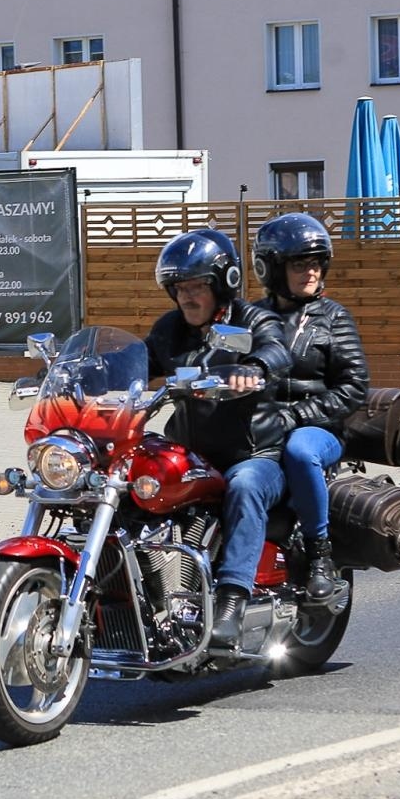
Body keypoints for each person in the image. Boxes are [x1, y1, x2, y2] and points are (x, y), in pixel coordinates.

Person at [144, 229, 293, 647]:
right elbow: (140, 358)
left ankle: (231, 601)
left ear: (223, 284)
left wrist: (256, 367)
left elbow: (277, 349)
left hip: (254, 454)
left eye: (196, 287)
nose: (187, 297)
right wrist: (93, 373)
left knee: (244, 487)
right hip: (193, 454)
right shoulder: (171, 329)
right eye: (179, 288)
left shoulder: (253, 319)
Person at [250, 214, 370, 605]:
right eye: (300, 264)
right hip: (263, 427)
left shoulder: (334, 318)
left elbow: (354, 387)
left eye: (316, 263)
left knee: (300, 450)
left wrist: (297, 416)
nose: (311, 272)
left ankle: (320, 554)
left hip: (321, 429)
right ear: (272, 269)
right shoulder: (250, 318)